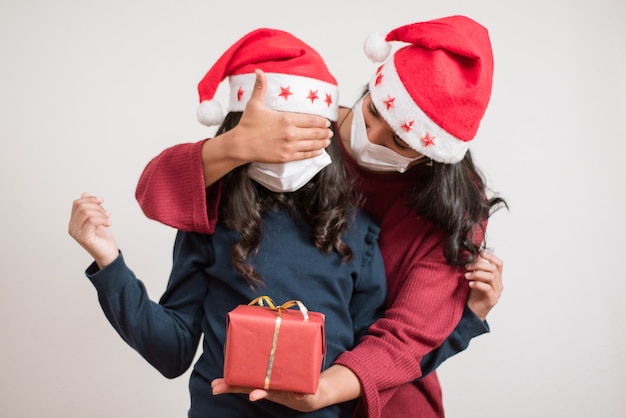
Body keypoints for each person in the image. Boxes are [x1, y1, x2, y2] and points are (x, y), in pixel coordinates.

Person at [68, 28, 493, 418]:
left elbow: (401, 340)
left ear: (435, 154)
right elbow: (173, 343)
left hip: (378, 401)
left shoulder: (373, 228)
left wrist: (463, 323)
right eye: (373, 111)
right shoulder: (223, 206)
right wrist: (110, 265)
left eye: (401, 139)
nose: (372, 134)